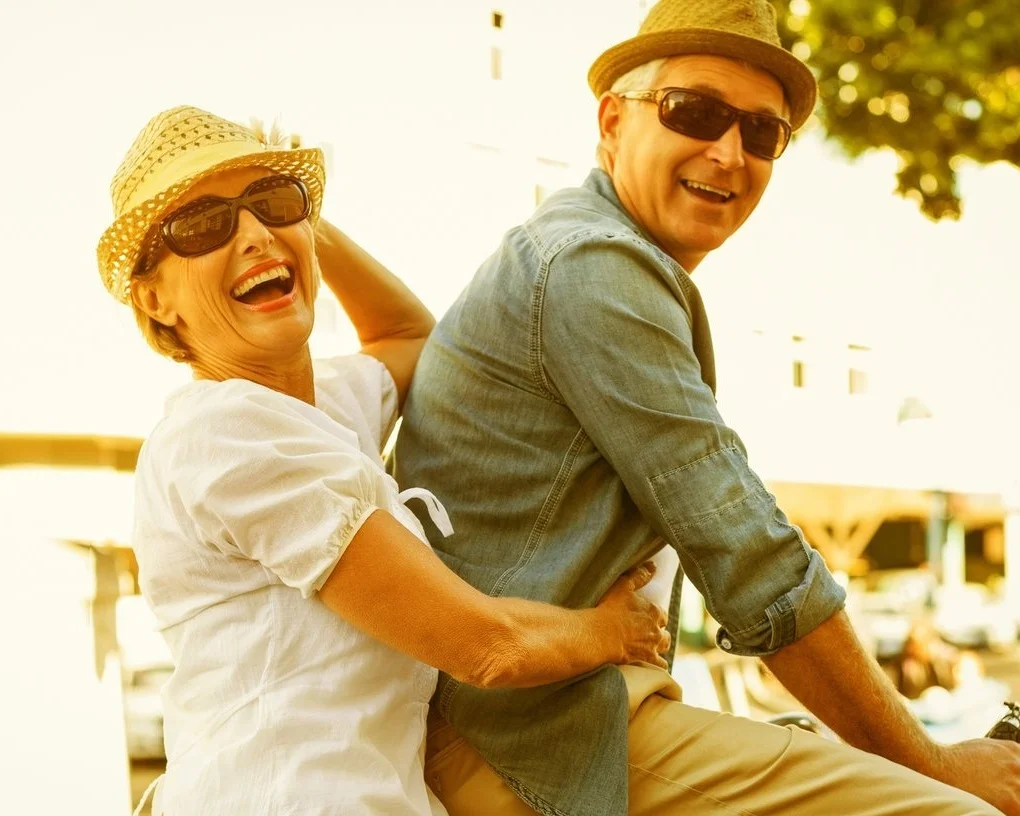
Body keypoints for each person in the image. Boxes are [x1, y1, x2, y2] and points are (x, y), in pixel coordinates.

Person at [392, 1, 1020, 814]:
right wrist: (933, 761)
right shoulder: (591, 268)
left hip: (563, 713)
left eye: (762, 132)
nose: (729, 152)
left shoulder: (584, 254)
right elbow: (748, 552)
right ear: (612, 122)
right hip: (530, 739)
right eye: (694, 111)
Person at [96, 106, 671, 816]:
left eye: (270, 202)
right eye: (202, 224)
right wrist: (610, 632)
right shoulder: (225, 436)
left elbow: (407, 337)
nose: (252, 233)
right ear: (154, 299)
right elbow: (485, 647)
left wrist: (302, 227)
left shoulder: (320, 405)